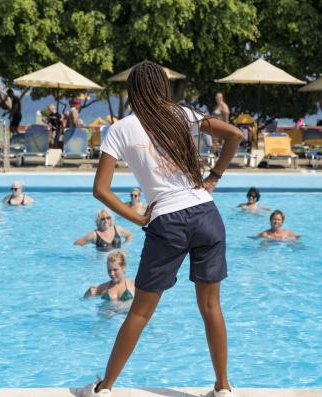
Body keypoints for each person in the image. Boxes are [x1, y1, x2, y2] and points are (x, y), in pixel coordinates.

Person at [82, 61, 242, 397]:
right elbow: (236, 135)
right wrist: (214, 177)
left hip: (166, 221)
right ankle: (223, 387)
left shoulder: (120, 128)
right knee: (211, 306)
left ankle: (104, 387)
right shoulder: (183, 114)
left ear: (133, 90)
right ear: (162, 86)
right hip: (205, 214)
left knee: (140, 311)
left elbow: (101, 189)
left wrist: (139, 218)